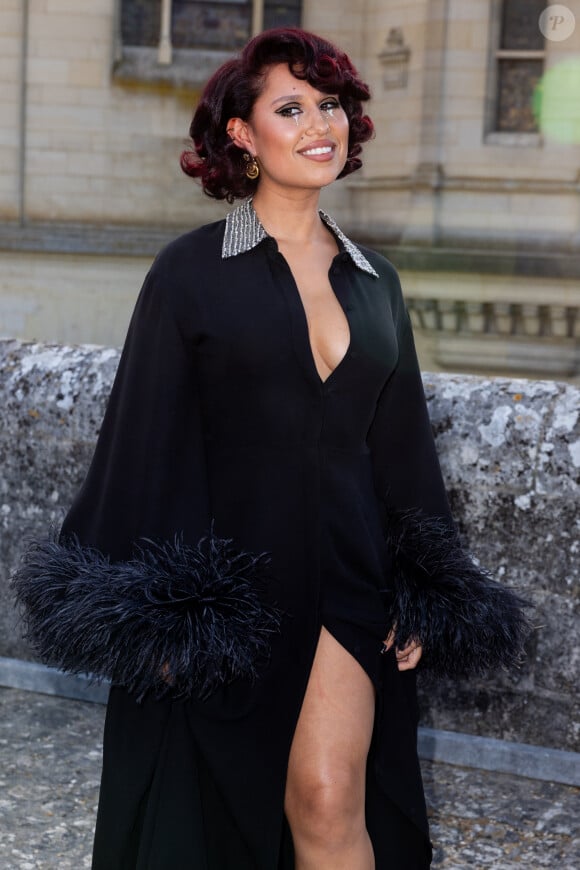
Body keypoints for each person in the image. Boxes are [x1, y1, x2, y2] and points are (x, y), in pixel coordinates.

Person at [12, 27, 531, 870]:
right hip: (234, 598)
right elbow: (142, 446)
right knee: (220, 821)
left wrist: (428, 585)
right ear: (243, 137)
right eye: (291, 107)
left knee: (330, 799)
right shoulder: (189, 273)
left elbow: (401, 453)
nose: (320, 123)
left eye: (330, 104)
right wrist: (159, 621)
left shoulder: (377, 281)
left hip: (351, 584)